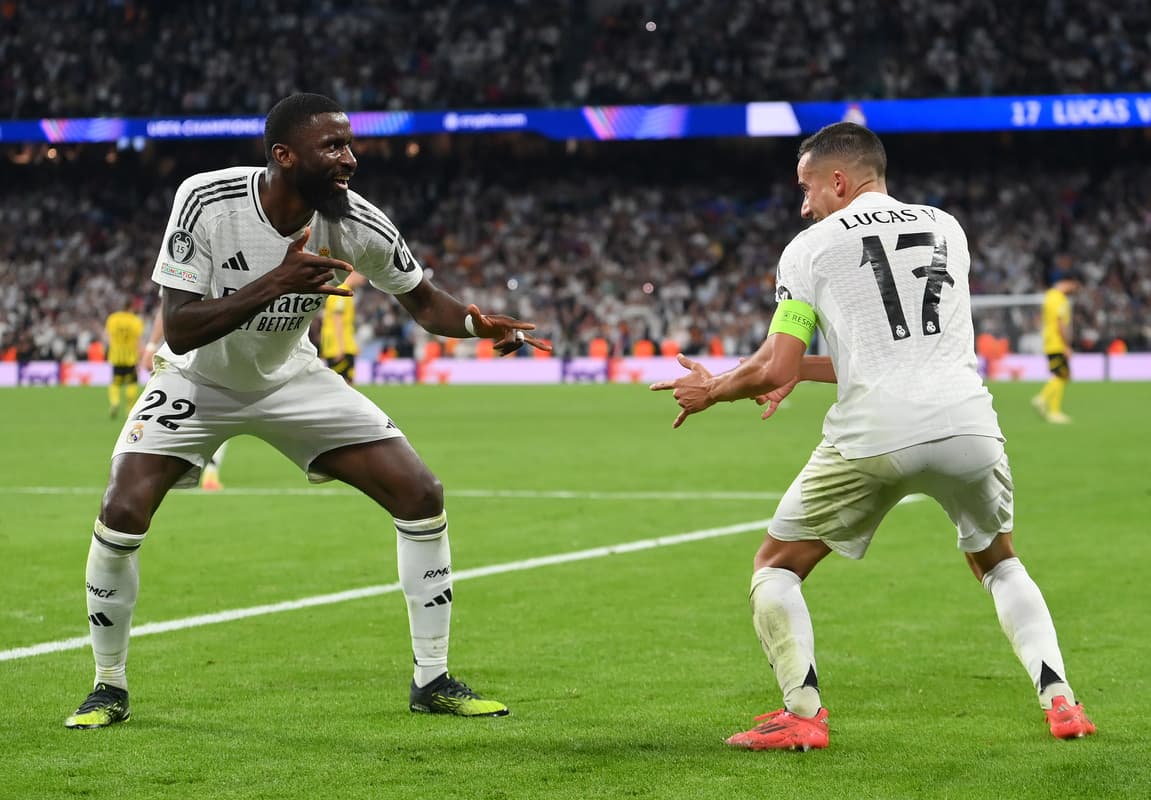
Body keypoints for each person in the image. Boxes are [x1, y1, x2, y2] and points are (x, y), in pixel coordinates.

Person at [65, 92, 549, 729]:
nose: (349, 159)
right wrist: (276, 281)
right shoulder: (206, 200)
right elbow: (180, 329)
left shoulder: (357, 222)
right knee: (120, 512)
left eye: (350, 145)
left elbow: (424, 301)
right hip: (197, 380)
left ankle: (431, 678)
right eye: (333, 147)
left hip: (291, 378)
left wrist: (475, 324)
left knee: (419, 492)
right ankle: (108, 686)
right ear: (284, 156)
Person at [651, 122, 1095, 750]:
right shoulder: (948, 227)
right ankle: (1063, 704)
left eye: (807, 188)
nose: (803, 205)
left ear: (838, 179)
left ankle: (803, 715)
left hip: (874, 435)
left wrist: (712, 389)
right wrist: (797, 374)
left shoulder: (809, 249)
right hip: (968, 424)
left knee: (775, 567)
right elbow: (893, 349)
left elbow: (774, 364)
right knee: (998, 561)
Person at [143, 309, 229, 490]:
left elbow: (164, 307)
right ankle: (204, 469)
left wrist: (151, 345)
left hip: (194, 357)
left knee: (208, 415)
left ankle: (170, 470)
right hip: (199, 359)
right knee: (217, 414)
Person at [1031, 268, 1082, 424]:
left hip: (1049, 341)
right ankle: (1044, 400)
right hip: (1057, 343)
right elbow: (1061, 324)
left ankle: (1053, 409)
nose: (1074, 290)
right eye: (1074, 287)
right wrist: (1067, 345)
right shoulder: (1060, 299)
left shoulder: (1049, 296)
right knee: (1062, 375)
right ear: (1068, 283)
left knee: (1063, 375)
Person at [320, 271, 366, 384]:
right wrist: (341, 347)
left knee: (345, 383)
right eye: (363, 276)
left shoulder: (343, 291)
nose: (364, 280)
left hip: (342, 345)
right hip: (339, 347)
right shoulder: (341, 291)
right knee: (344, 384)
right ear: (354, 273)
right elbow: (337, 320)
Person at [103, 298, 144, 418]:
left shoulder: (112, 318)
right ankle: (129, 409)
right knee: (132, 382)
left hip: (116, 356)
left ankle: (115, 402)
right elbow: (138, 341)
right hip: (131, 357)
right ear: (131, 307)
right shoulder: (136, 321)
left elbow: (107, 336)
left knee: (115, 383)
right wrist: (140, 357)